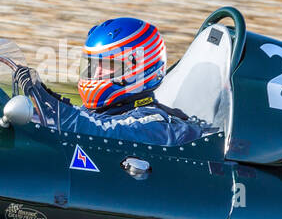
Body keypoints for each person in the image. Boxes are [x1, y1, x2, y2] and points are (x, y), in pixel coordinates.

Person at [13, 17, 211, 146]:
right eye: (92, 64)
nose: (96, 72)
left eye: (107, 64)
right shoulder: (96, 113)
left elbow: (100, 130)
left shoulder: (154, 123)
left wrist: (58, 110)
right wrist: (41, 106)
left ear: (138, 69)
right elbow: (84, 119)